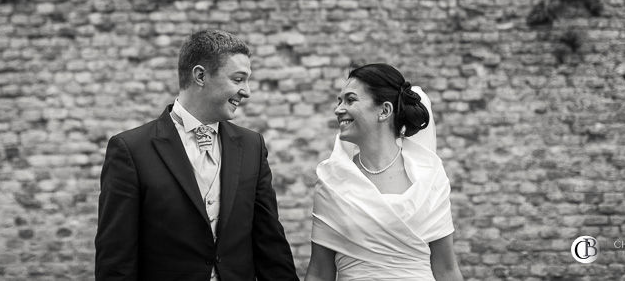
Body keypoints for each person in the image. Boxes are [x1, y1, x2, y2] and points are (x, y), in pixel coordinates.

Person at [95, 29, 299, 281]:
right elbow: (116, 258)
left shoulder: (252, 145)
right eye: (238, 79)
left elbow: (270, 243)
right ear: (200, 75)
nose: (247, 91)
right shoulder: (131, 149)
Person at [304, 63, 463, 281]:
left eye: (350, 100)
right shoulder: (332, 181)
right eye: (339, 101)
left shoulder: (430, 177)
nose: (338, 109)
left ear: (385, 111)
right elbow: (319, 273)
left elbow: (446, 269)